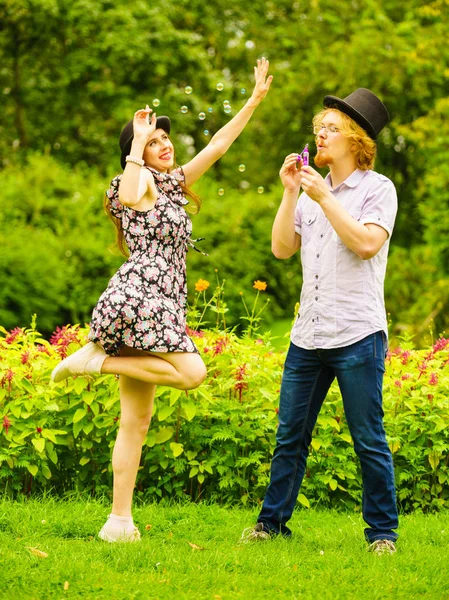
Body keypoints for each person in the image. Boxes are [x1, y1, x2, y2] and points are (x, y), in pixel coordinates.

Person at [51, 58, 272, 542]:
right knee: (192, 374)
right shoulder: (134, 181)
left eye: (164, 137)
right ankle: (94, 363)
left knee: (137, 419)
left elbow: (217, 145)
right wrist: (135, 147)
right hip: (139, 299)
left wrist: (253, 100)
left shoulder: (169, 184)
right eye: (153, 140)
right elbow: (130, 196)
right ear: (137, 152)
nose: (164, 144)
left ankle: (118, 522)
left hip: (160, 303)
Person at [241, 88, 399, 555]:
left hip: (358, 335)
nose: (320, 135)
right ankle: (271, 525)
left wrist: (324, 196)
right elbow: (282, 249)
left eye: (330, 128)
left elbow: (366, 244)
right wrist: (291, 193)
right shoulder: (310, 189)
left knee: (368, 438)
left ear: (355, 140)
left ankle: (382, 535)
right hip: (308, 334)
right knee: (290, 435)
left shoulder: (378, 189)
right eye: (318, 129)